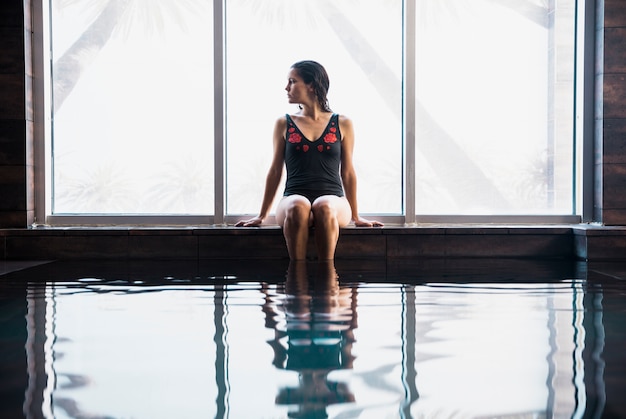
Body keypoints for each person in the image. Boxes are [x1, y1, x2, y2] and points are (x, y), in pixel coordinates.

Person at [236, 60, 382, 260]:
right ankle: (297, 277)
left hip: (334, 200)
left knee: (324, 206)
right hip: (292, 198)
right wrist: (261, 216)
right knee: (298, 205)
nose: (286, 87)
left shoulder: (343, 123)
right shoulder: (284, 123)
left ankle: (328, 275)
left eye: (292, 81)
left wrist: (356, 217)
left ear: (312, 85)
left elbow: (347, 172)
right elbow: (275, 171)